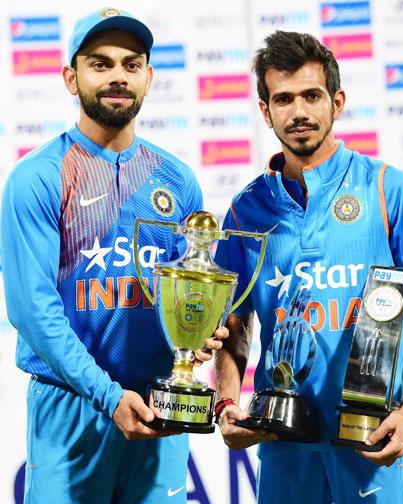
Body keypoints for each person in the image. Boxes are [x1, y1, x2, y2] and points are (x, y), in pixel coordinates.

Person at [1, 8, 228, 504]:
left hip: (157, 406)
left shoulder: (177, 179)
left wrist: (201, 331)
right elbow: (32, 311)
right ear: (71, 77)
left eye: (130, 63)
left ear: (148, 76)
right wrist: (107, 395)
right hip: (72, 406)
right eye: (100, 64)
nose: (117, 76)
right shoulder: (39, 177)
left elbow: (185, 288)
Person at [214, 31, 403, 504]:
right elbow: (235, 326)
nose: (298, 112)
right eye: (283, 98)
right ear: (266, 110)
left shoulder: (387, 189)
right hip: (282, 444)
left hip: (371, 438)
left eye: (311, 96)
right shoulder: (244, 212)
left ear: (336, 102)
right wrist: (225, 402)